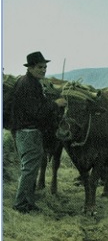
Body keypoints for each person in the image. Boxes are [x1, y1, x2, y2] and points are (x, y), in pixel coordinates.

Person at [11, 52, 67, 213]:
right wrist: (56, 104)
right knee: (29, 169)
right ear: (30, 67)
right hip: (28, 132)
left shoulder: (28, 82)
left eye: (45, 67)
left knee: (31, 168)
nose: (43, 70)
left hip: (27, 131)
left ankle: (28, 202)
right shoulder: (30, 85)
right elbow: (37, 111)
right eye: (40, 67)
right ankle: (20, 204)